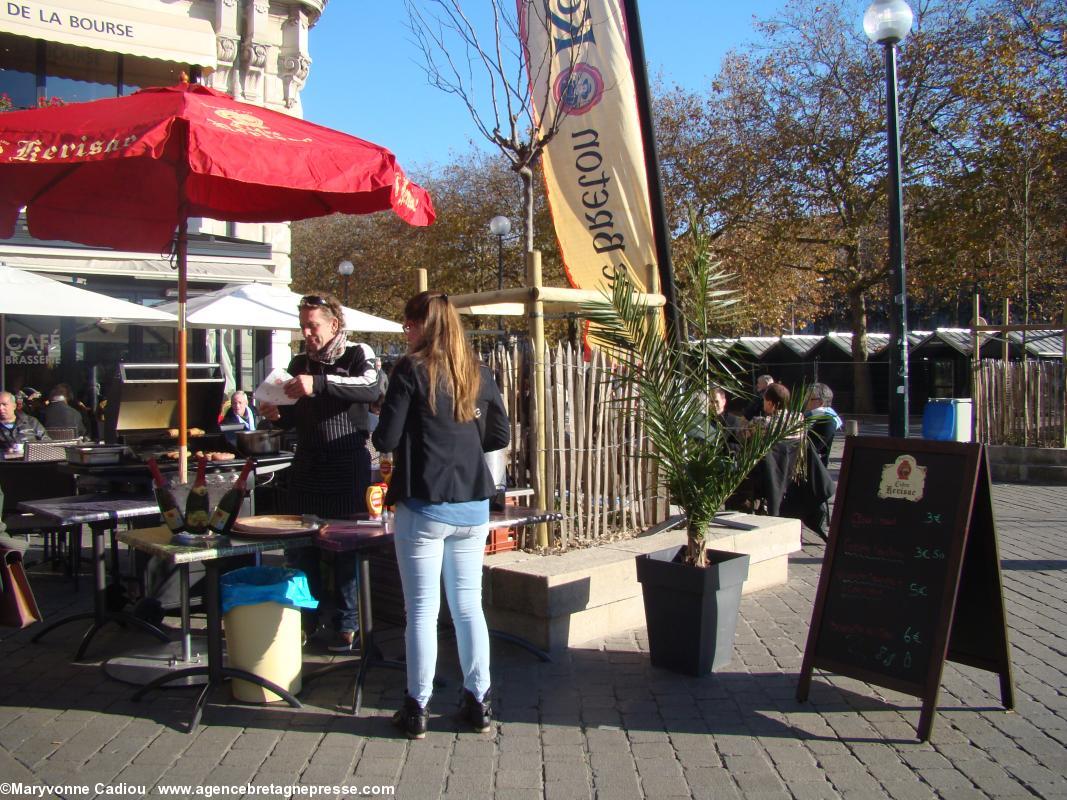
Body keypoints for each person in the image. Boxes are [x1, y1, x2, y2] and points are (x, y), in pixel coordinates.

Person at [372, 291, 510, 740]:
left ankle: (417, 707)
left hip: (425, 504)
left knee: (422, 611)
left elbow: (386, 439)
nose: (405, 331)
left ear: (422, 325)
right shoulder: (478, 372)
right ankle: (480, 701)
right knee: (469, 606)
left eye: (408, 323)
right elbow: (498, 434)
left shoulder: (410, 370)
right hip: (472, 503)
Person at [258, 292, 384, 652]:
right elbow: (296, 416)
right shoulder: (299, 361)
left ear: (334, 324)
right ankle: (306, 620)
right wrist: (277, 414)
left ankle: (347, 625)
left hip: (348, 466)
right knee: (302, 550)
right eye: (302, 327)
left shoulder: (358, 353)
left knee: (346, 550)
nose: (307, 333)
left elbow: (372, 387)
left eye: (312, 326)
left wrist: (321, 383)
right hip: (308, 467)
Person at [805, 382, 843, 467]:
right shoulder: (811, 416)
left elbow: (812, 448)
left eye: (809, 398)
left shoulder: (827, 421)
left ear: (820, 402)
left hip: (813, 469)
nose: (805, 401)